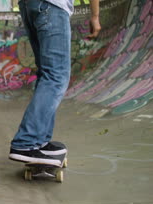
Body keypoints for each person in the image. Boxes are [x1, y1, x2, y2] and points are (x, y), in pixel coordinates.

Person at [9, 0, 101, 166]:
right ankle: (26, 142)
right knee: (56, 76)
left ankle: (40, 140)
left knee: (46, 73)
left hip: (29, 5)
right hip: (52, 7)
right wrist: (95, 16)